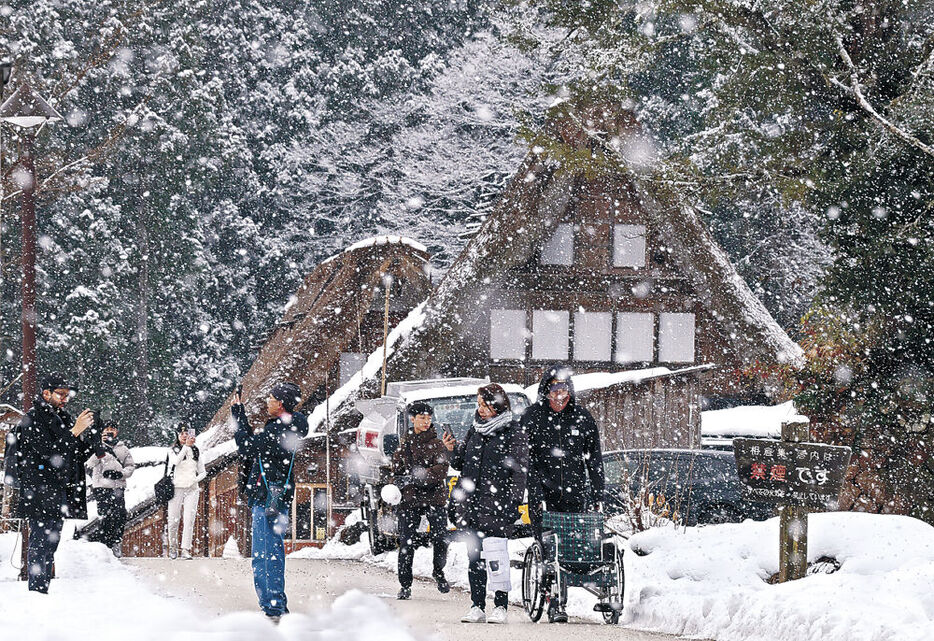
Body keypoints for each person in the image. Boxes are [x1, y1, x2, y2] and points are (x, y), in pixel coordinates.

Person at [521, 364, 606, 623]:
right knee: (549, 551)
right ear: (546, 390)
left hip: (575, 494)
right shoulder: (531, 417)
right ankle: (553, 601)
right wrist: (534, 490)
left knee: (570, 549)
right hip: (543, 496)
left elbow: (594, 460)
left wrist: (597, 492)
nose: (561, 394)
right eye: (556, 388)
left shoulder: (582, 417)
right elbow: (525, 460)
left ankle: (564, 596)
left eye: (565, 388)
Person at [7, 373, 99, 593]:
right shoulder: (33, 417)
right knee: (40, 544)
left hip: (58, 491)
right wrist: (75, 431)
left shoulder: (63, 417)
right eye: (60, 394)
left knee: (51, 544)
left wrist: (94, 439)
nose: (65, 399)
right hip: (39, 490)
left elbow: (74, 455)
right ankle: (37, 592)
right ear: (46, 393)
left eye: (68, 395)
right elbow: (50, 452)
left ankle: (42, 591)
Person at [446, 383, 528, 625]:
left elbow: (519, 471)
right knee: (475, 557)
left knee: (496, 556)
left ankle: (501, 606)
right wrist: (452, 450)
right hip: (472, 505)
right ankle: (477, 605)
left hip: (497, 504)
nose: (480, 409)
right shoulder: (475, 430)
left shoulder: (513, 431)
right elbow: (461, 463)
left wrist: (514, 502)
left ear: (498, 404)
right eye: (479, 404)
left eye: (485, 404)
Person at [232, 382, 308, 621]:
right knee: (271, 549)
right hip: (275, 495)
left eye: (271, 398)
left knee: (265, 552)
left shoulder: (278, 430)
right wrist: (240, 414)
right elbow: (253, 445)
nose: (267, 401)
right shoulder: (288, 427)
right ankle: (276, 602)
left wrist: (237, 416)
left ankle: (273, 606)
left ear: (281, 403)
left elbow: (246, 447)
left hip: (267, 497)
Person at [392, 401, 450, 600]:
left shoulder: (436, 443)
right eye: (422, 418)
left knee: (441, 538)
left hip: (434, 497)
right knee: (406, 542)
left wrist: (415, 476)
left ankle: (438, 571)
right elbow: (397, 468)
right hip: (409, 499)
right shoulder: (406, 441)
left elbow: (440, 471)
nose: (426, 422)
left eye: (428, 418)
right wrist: (398, 469)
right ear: (412, 419)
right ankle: (405, 585)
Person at [85, 421, 135, 557]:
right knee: (105, 515)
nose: (109, 431)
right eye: (106, 429)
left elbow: (130, 466)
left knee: (119, 515)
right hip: (101, 486)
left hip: (118, 486)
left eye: (112, 429)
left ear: (117, 431)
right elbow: (88, 465)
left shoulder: (123, 449)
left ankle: (116, 542)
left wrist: (121, 474)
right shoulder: (95, 446)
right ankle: (104, 545)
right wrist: (98, 449)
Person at [165, 423, 206, 560]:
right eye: (181, 433)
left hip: (192, 488)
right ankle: (172, 546)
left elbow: (203, 471)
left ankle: (186, 548)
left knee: (189, 520)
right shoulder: (173, 450)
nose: (184, 436)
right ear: (177, 435)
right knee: (173, 520)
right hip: (176, 487)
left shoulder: (196, 451)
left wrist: (195, 480)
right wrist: (185, 447)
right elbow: (176, 462)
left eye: (186, 433)